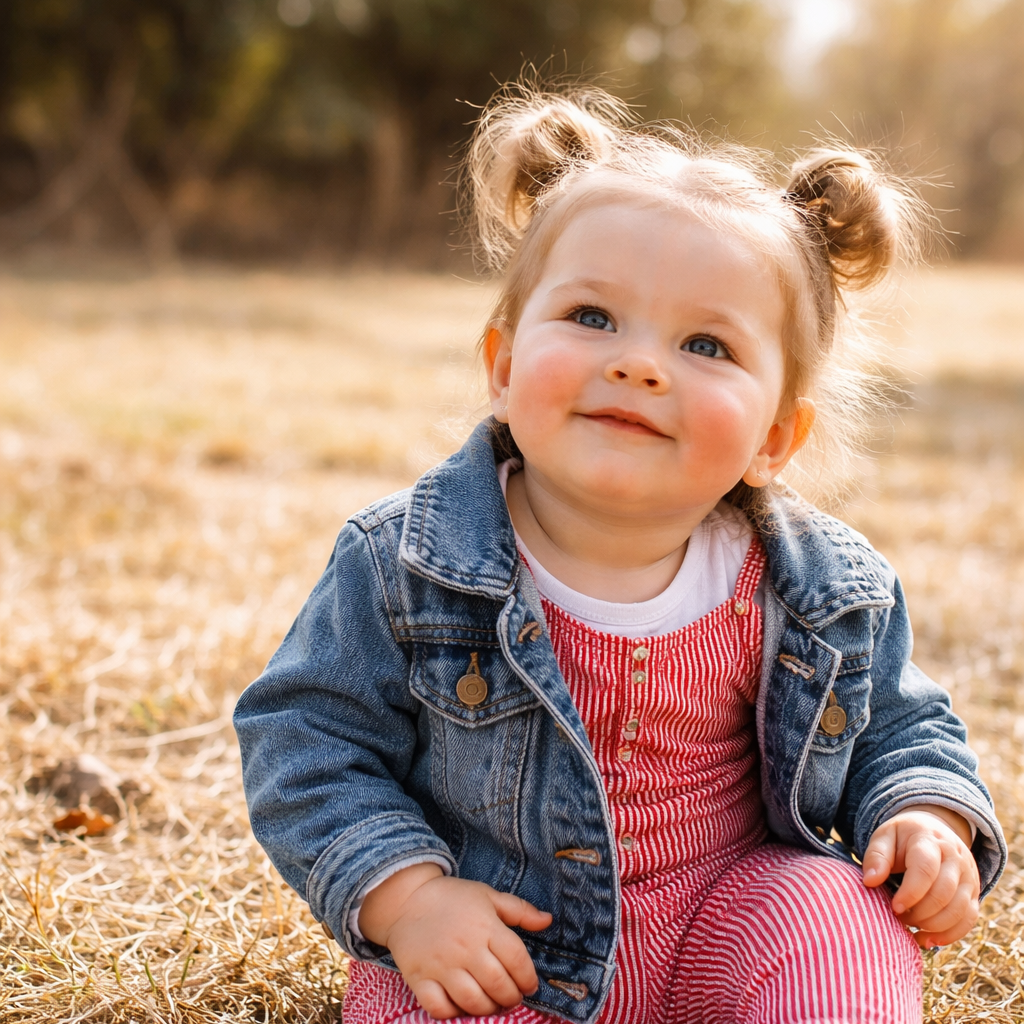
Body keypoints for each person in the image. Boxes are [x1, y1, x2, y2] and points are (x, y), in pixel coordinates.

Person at [234, 83, 1006, 1024]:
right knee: (421, 1001)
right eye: (594, 318)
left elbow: (900, 724)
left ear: (775, 436)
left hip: (732, 917)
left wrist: (923, 816)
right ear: (506, 367)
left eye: (706, 343)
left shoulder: (822, 588)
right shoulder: (403, 563)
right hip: (499, 946)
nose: (640, 364)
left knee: (836, 914)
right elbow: (306, 742)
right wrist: (408, 899)